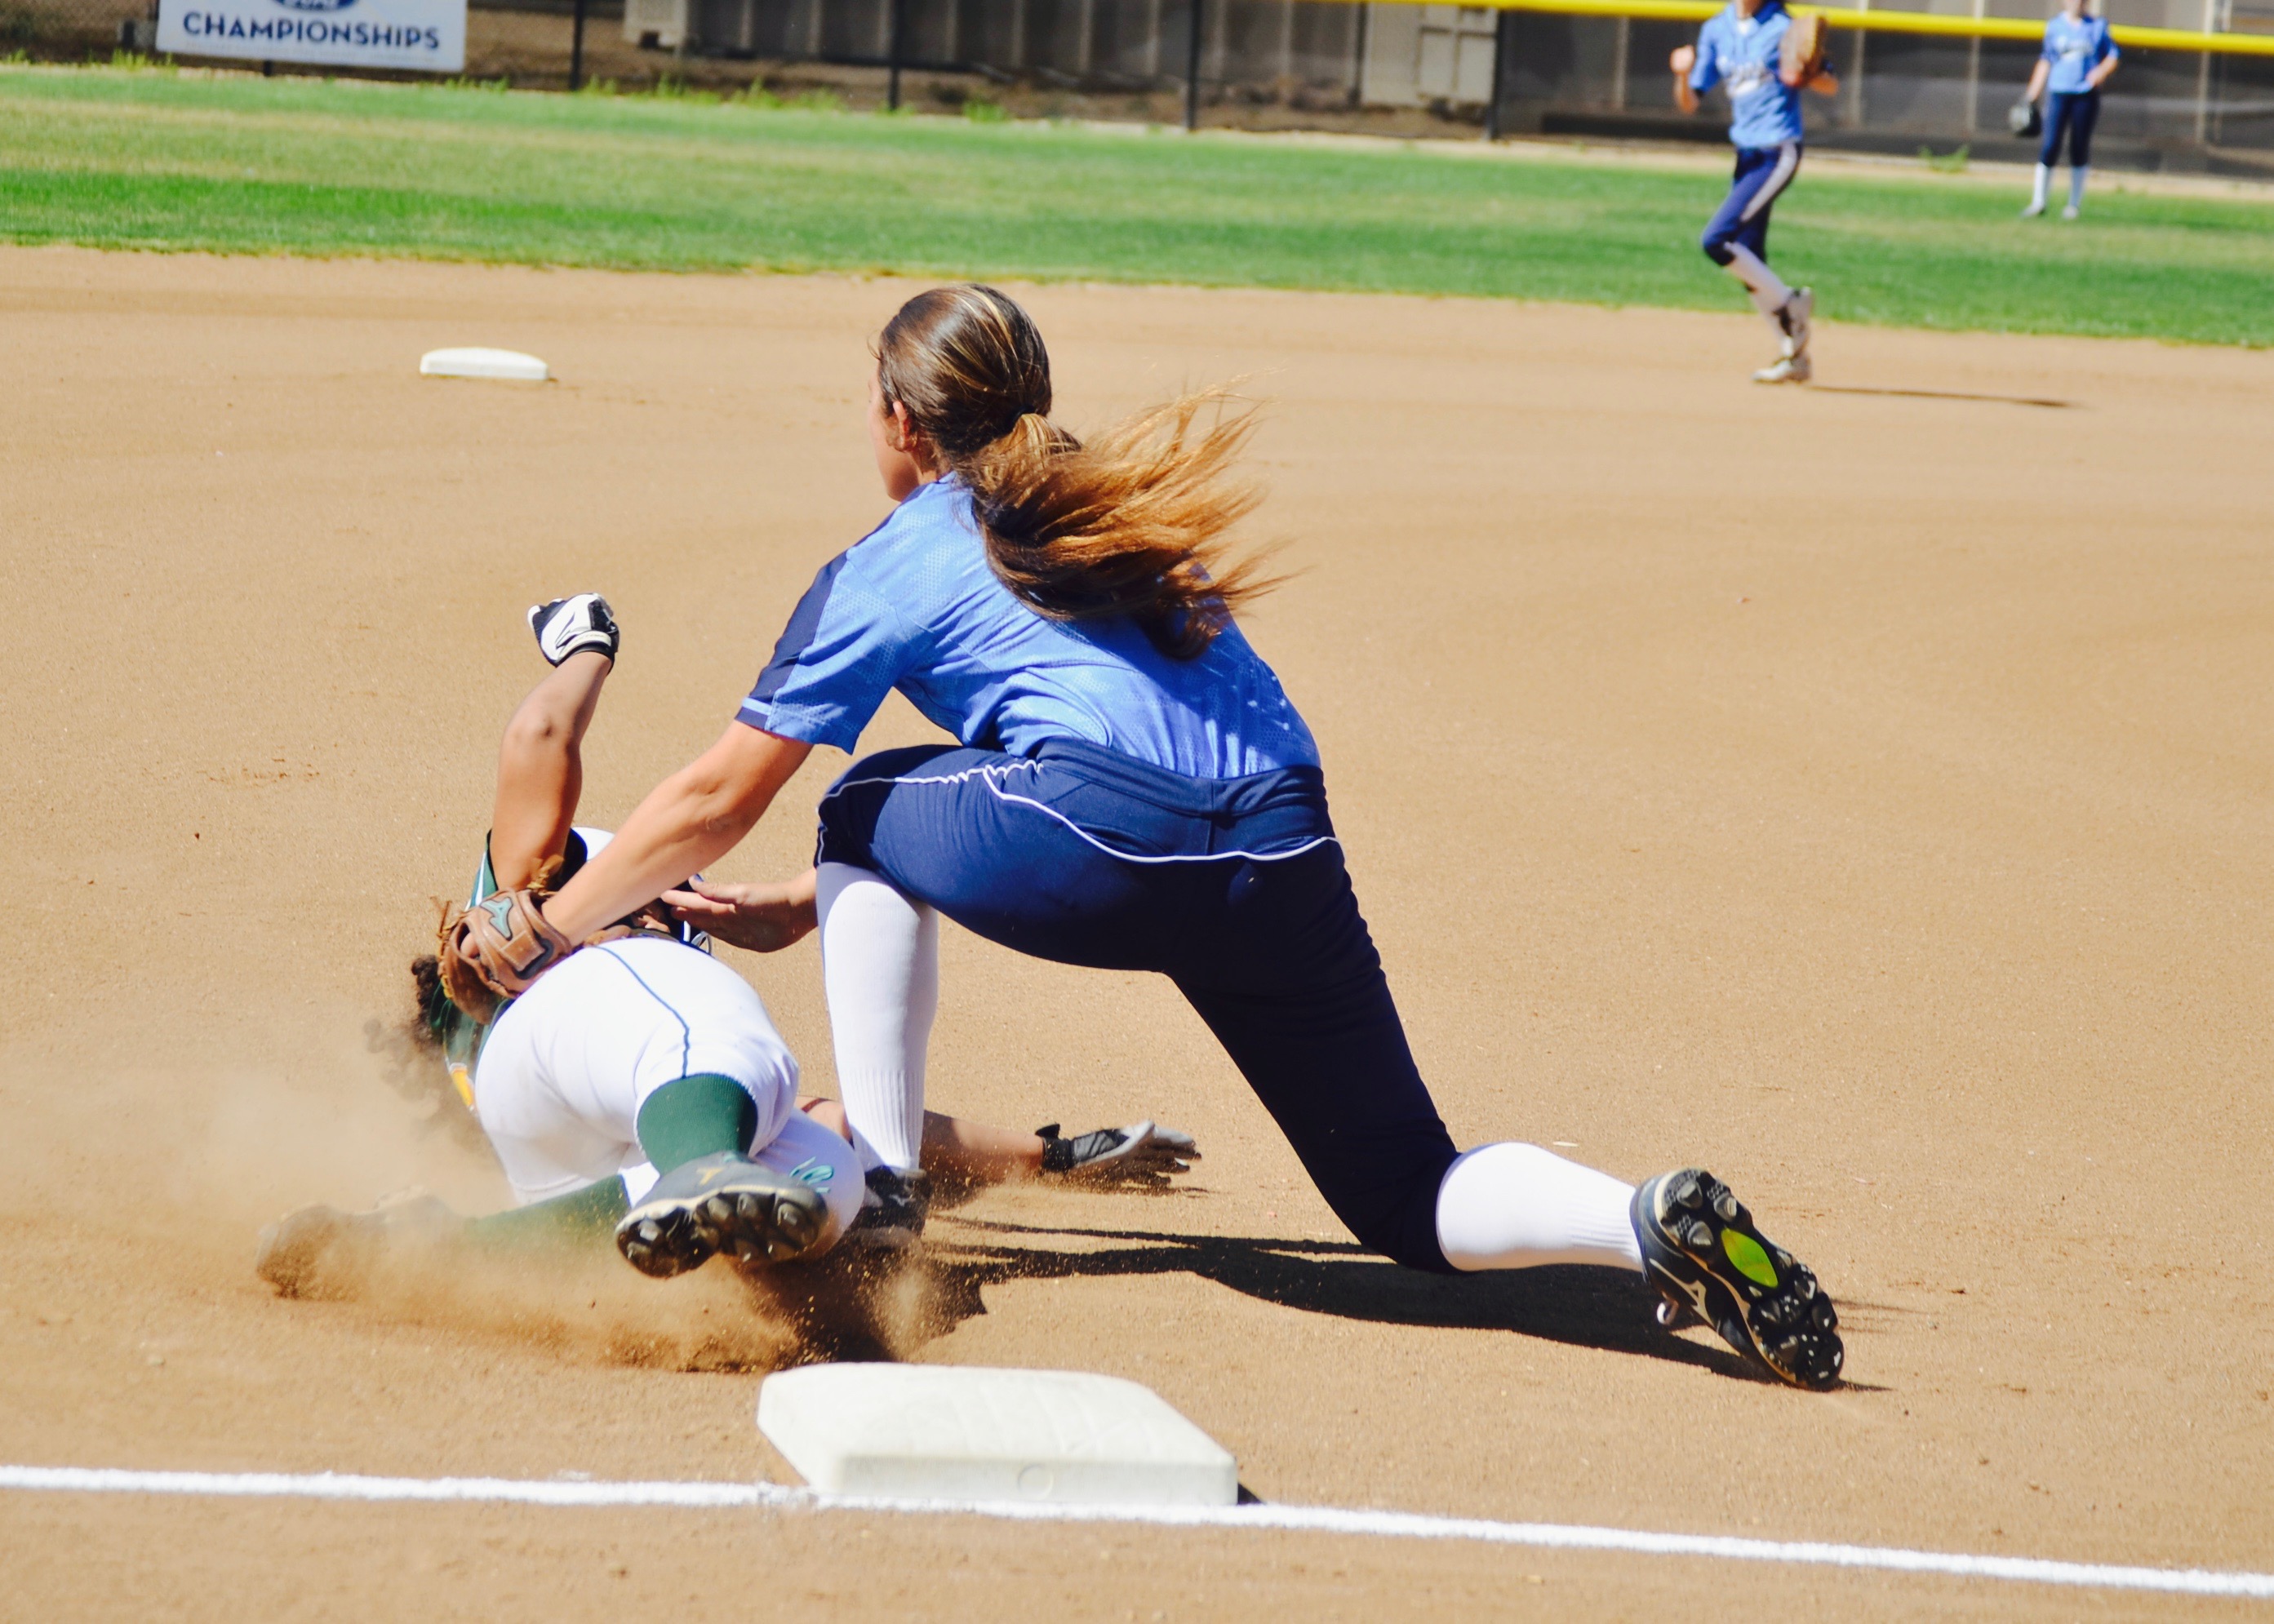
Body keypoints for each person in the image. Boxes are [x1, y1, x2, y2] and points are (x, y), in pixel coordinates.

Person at [526, 286, 1845, 1390]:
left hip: (1105, 848)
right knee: (1406, 1195)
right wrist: (824, 898)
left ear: (899, 422)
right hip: (1282, 850)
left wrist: (545, 931)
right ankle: (1636, 1219)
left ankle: (878, 1190)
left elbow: (716, 799)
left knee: (858, 804)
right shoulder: (1109, 511)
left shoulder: (895, 558)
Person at [255, 592, 1197, 1298]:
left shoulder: (580, 981)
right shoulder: (540, 904)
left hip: (562, 1164)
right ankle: (704, 1165)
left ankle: (431, 1249)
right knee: (735, 1059)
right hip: (584, 1047)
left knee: (818, 1163)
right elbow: (539, 731)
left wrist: (1051, 1157)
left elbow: (858, 1121)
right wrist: (587, 642)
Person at [1669, 0, 1839, 384]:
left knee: (1717, 241)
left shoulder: (1783, 25)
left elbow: (1831, 85)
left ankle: (1791, 304)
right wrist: (1681, 75)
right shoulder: (1717, 29)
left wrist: (1807, 73)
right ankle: (1793, 353)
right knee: (1749, 259)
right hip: (1746, 153)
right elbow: (1690, 102)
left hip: (1778, 150)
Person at [2020, 0, 2119, 220]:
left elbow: (2113, 55)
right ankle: (2038, 202)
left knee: (2079, 147)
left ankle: (2073, 205)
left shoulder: (2097, 26)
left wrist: (2101, 71)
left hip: (2085, 94)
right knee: (2050, 145)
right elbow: (2046, 60)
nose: (2078, 3)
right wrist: (2031, 94)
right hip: (2059, 92)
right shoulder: (2055, 26)